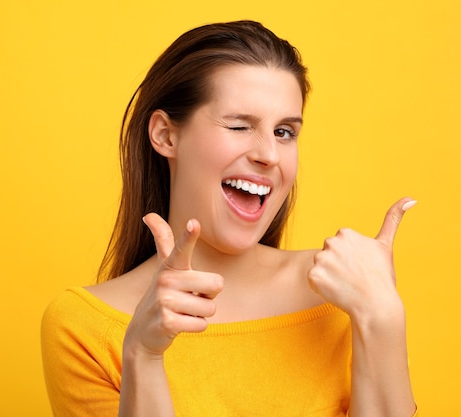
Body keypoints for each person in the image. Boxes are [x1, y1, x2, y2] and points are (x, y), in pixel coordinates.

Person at [41, 20, 418, 417]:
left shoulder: (343, 292)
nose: (269, 155)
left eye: (285, 132)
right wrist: (142, 356)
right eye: (240, 126)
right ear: (166, 136)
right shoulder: (84, 326)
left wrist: (382, 316)